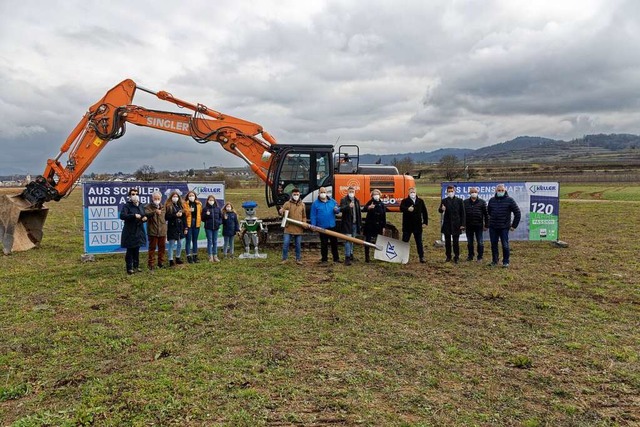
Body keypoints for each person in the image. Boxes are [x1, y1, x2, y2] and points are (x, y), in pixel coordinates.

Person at [487, 183, 521, 268]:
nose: (500, 192)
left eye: (502, 190)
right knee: (493, 244)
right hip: (493, 227)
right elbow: (489, 212)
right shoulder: (491, 200)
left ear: (505, 191)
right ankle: (495, 261)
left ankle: (506, 262)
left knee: (505, 244)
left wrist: (514, 225)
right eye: (499, 190)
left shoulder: (510, 200)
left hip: (504, 227)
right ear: (496, 191)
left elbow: (517, 213)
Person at [119, 188, 147, 274]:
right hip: (130, 231)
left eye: (136, 194)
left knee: (137, 250)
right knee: (130, 250)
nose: (135, 196)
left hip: (139, 230)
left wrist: (144, 219)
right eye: (133, 194)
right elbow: (122, 216)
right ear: (129, 196)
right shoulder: (127, 206)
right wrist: (134, 215)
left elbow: (143, 215)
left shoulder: (141, 205)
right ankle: (129, 268)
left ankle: (136, 266)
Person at [310, 186, 340, 264]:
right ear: (319, 193)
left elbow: (337, 210)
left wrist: (337, 210)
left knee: (334, 243)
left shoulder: (332, 201)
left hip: (332, 226)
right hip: (322, 227)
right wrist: (313, 225)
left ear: (326, 193)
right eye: (321, 192)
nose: (323, 194)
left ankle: (336, 258)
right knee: (324, 244)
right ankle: (324, 259)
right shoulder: (315, 204)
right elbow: (313, 215)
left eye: (324, 192)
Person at [400, 187, 428, 263]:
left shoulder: (420, 201)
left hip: (417, 225)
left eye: (414, 192)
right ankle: (402, 257)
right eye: (411, 192)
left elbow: (424, 212)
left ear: (416, 192)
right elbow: (401, 208)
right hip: (407, 225)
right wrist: (407, 209)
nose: (412, 193)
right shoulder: (405, 201)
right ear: (408, 193)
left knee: (419, 242)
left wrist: (425, 222)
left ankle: (421, 257)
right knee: (405, 241)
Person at [438, 185, 466, 263]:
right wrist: (442, 209)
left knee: (456, 242)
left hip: (456, 224)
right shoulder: (444, 201)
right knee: (447, 241)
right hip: (447, 224)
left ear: (455, 191)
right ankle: (448, 256)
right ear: (447, 192)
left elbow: (463, 213)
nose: (450, 192)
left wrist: (462, 224)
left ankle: (456, 257)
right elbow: (440, 210)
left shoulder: (460, 201)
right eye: (449, 191)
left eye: (452, 191)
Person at [279, 187, 306, 265]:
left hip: (299, 228)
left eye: (297, 194)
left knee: (298, 245)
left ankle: (298, 259)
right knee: (286, 244)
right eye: (294, 194)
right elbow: (283, 212)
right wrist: (281, 212)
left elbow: (304, 216)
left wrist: (304, 223)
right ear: (292, 195)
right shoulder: (287, 204)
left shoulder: (302, 205)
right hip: (288, 228)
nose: (296, 196)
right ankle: (284, 259)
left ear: (299, 194)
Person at [463, 187, 489, 262]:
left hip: (479, 226)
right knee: (470, 242)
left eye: (475, 192)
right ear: (469, 193)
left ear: (477, 193)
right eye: (472, 192)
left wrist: (487, 225)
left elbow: (486, 215)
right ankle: (470, 256)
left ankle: (480, 257)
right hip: (469, 226)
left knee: (480, 242)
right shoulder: (465, 202)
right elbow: (463, 215)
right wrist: (463, 225)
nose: (474, 193)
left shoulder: (482, 202)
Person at [339, 186, 362, 266]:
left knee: (352, 240)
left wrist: (360, 224)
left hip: (355, 224)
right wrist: (348, 206)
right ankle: (347, 257)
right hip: (347, 224)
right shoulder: (344, 200)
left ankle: (351, 254)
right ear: (347, 192)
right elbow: (341, 209)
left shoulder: (357, 200)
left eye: (353, 191)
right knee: (348, 240)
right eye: (350, 191)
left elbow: (359, 213)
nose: (351, 193)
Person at [362, 189, 387, 263]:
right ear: (372, 195)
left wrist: (383, 227)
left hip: (379, 225)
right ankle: (367, 257)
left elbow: (384, 216)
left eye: (377, 194)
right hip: (370, 225)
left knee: (379, 241)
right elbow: (364, 209)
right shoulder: (370, 202)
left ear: (380, 195)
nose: (376, 195)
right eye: (374, 194)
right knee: (368, 241)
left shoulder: (382, 204)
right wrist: (369, 207)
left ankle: (379, 256)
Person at [144, 191, 167, 270]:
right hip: (152, 231)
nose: (157, 200)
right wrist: (154, 212)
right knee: (152, 248)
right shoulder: (148, 206)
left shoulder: (163, 207)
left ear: (161, 198)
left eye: (158, 198)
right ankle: (151, 264)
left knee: (162, 248)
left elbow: (166, 217)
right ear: (152, 198)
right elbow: (146, 214)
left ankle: (161, 263)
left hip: (162, 231)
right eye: (155, 198)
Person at [165, 191, 186, 266]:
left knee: (180, 243)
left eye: (176, 196)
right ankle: (170, 260)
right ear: (171, 197)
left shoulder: (180, 206)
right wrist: (175, 215)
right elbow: (166, 217)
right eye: (174, 196)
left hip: (180, 227)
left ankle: (178, 258)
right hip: (172, 227)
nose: (175, 198)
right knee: (172, 244)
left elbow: (184, 218)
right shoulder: (168, 206)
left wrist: (185, 228)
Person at [183, 191, 202, 263]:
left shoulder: (198, 204)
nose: (191, 197)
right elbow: (184, 215)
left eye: (193, 195)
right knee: (188, 240)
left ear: (195, 196)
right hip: (188, 224)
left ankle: (195, 256)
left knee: (195, 240)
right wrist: (189, 211)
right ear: (188, 197)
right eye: (190, 195)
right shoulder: (185, 204)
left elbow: (200, 213)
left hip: (196, 224)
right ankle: (188, 256)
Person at [202, 195, 222, 262]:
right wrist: (206, 215)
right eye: (210, 200)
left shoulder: (218, 209)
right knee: (210, 241)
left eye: (212, 200)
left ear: (214, 201)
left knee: (215, 241)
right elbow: (203, 219)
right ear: (208, 201)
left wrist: (219, 222)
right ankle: (210, 256)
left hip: (216, 227)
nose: (211, 201)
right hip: (208, 227)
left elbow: (220, 217)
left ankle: (215, 255)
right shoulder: (205, 209)